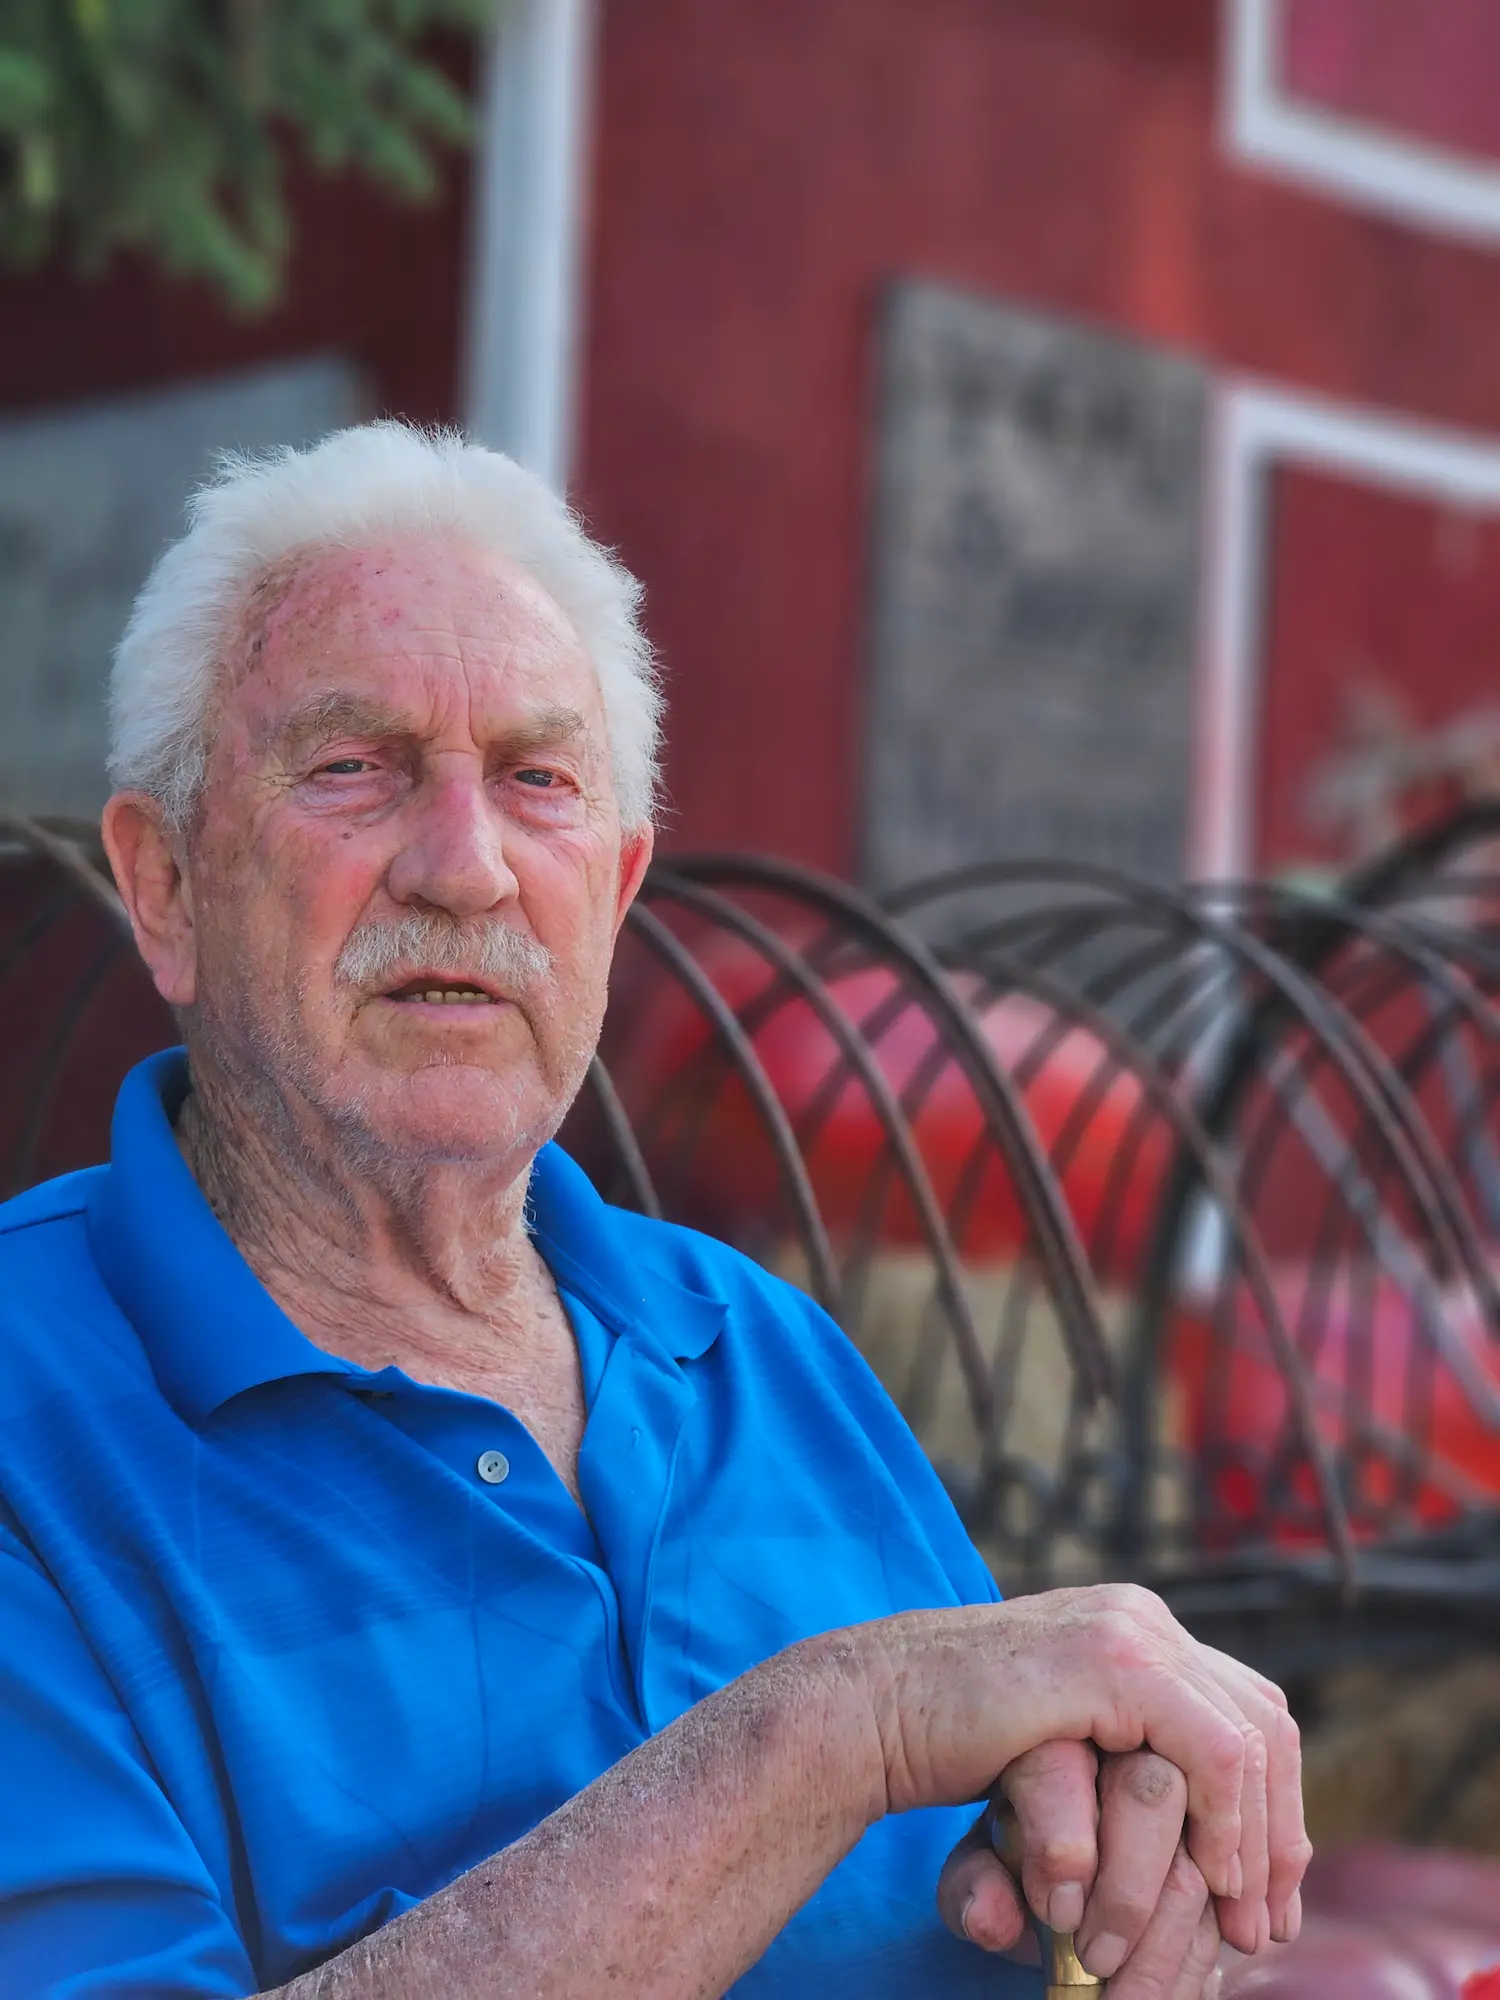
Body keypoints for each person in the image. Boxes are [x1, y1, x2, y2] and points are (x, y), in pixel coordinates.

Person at [0, 425, 1306, 1999]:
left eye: (539, 782)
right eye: (353, 766)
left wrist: (1127, 1836)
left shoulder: (760, 1346)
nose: (467, 866)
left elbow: (1019, 1845)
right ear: (166, 889)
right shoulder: (32, 1414)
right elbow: (868, 1718)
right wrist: (825, 1733)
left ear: (613, 896)